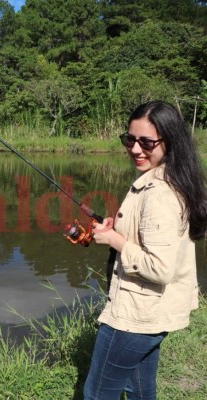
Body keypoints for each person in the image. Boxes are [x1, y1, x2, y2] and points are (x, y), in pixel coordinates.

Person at [83, 100, 207, 400]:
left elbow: (159, 268)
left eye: (147, 142)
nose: (136, 149)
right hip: (155, 313)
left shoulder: (160, 194)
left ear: (169, 141)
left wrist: (115, 240)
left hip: (136, 316)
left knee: (98, 393)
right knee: (139, 388)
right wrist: (120, 230)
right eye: (130, 139)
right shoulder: (169, 178)